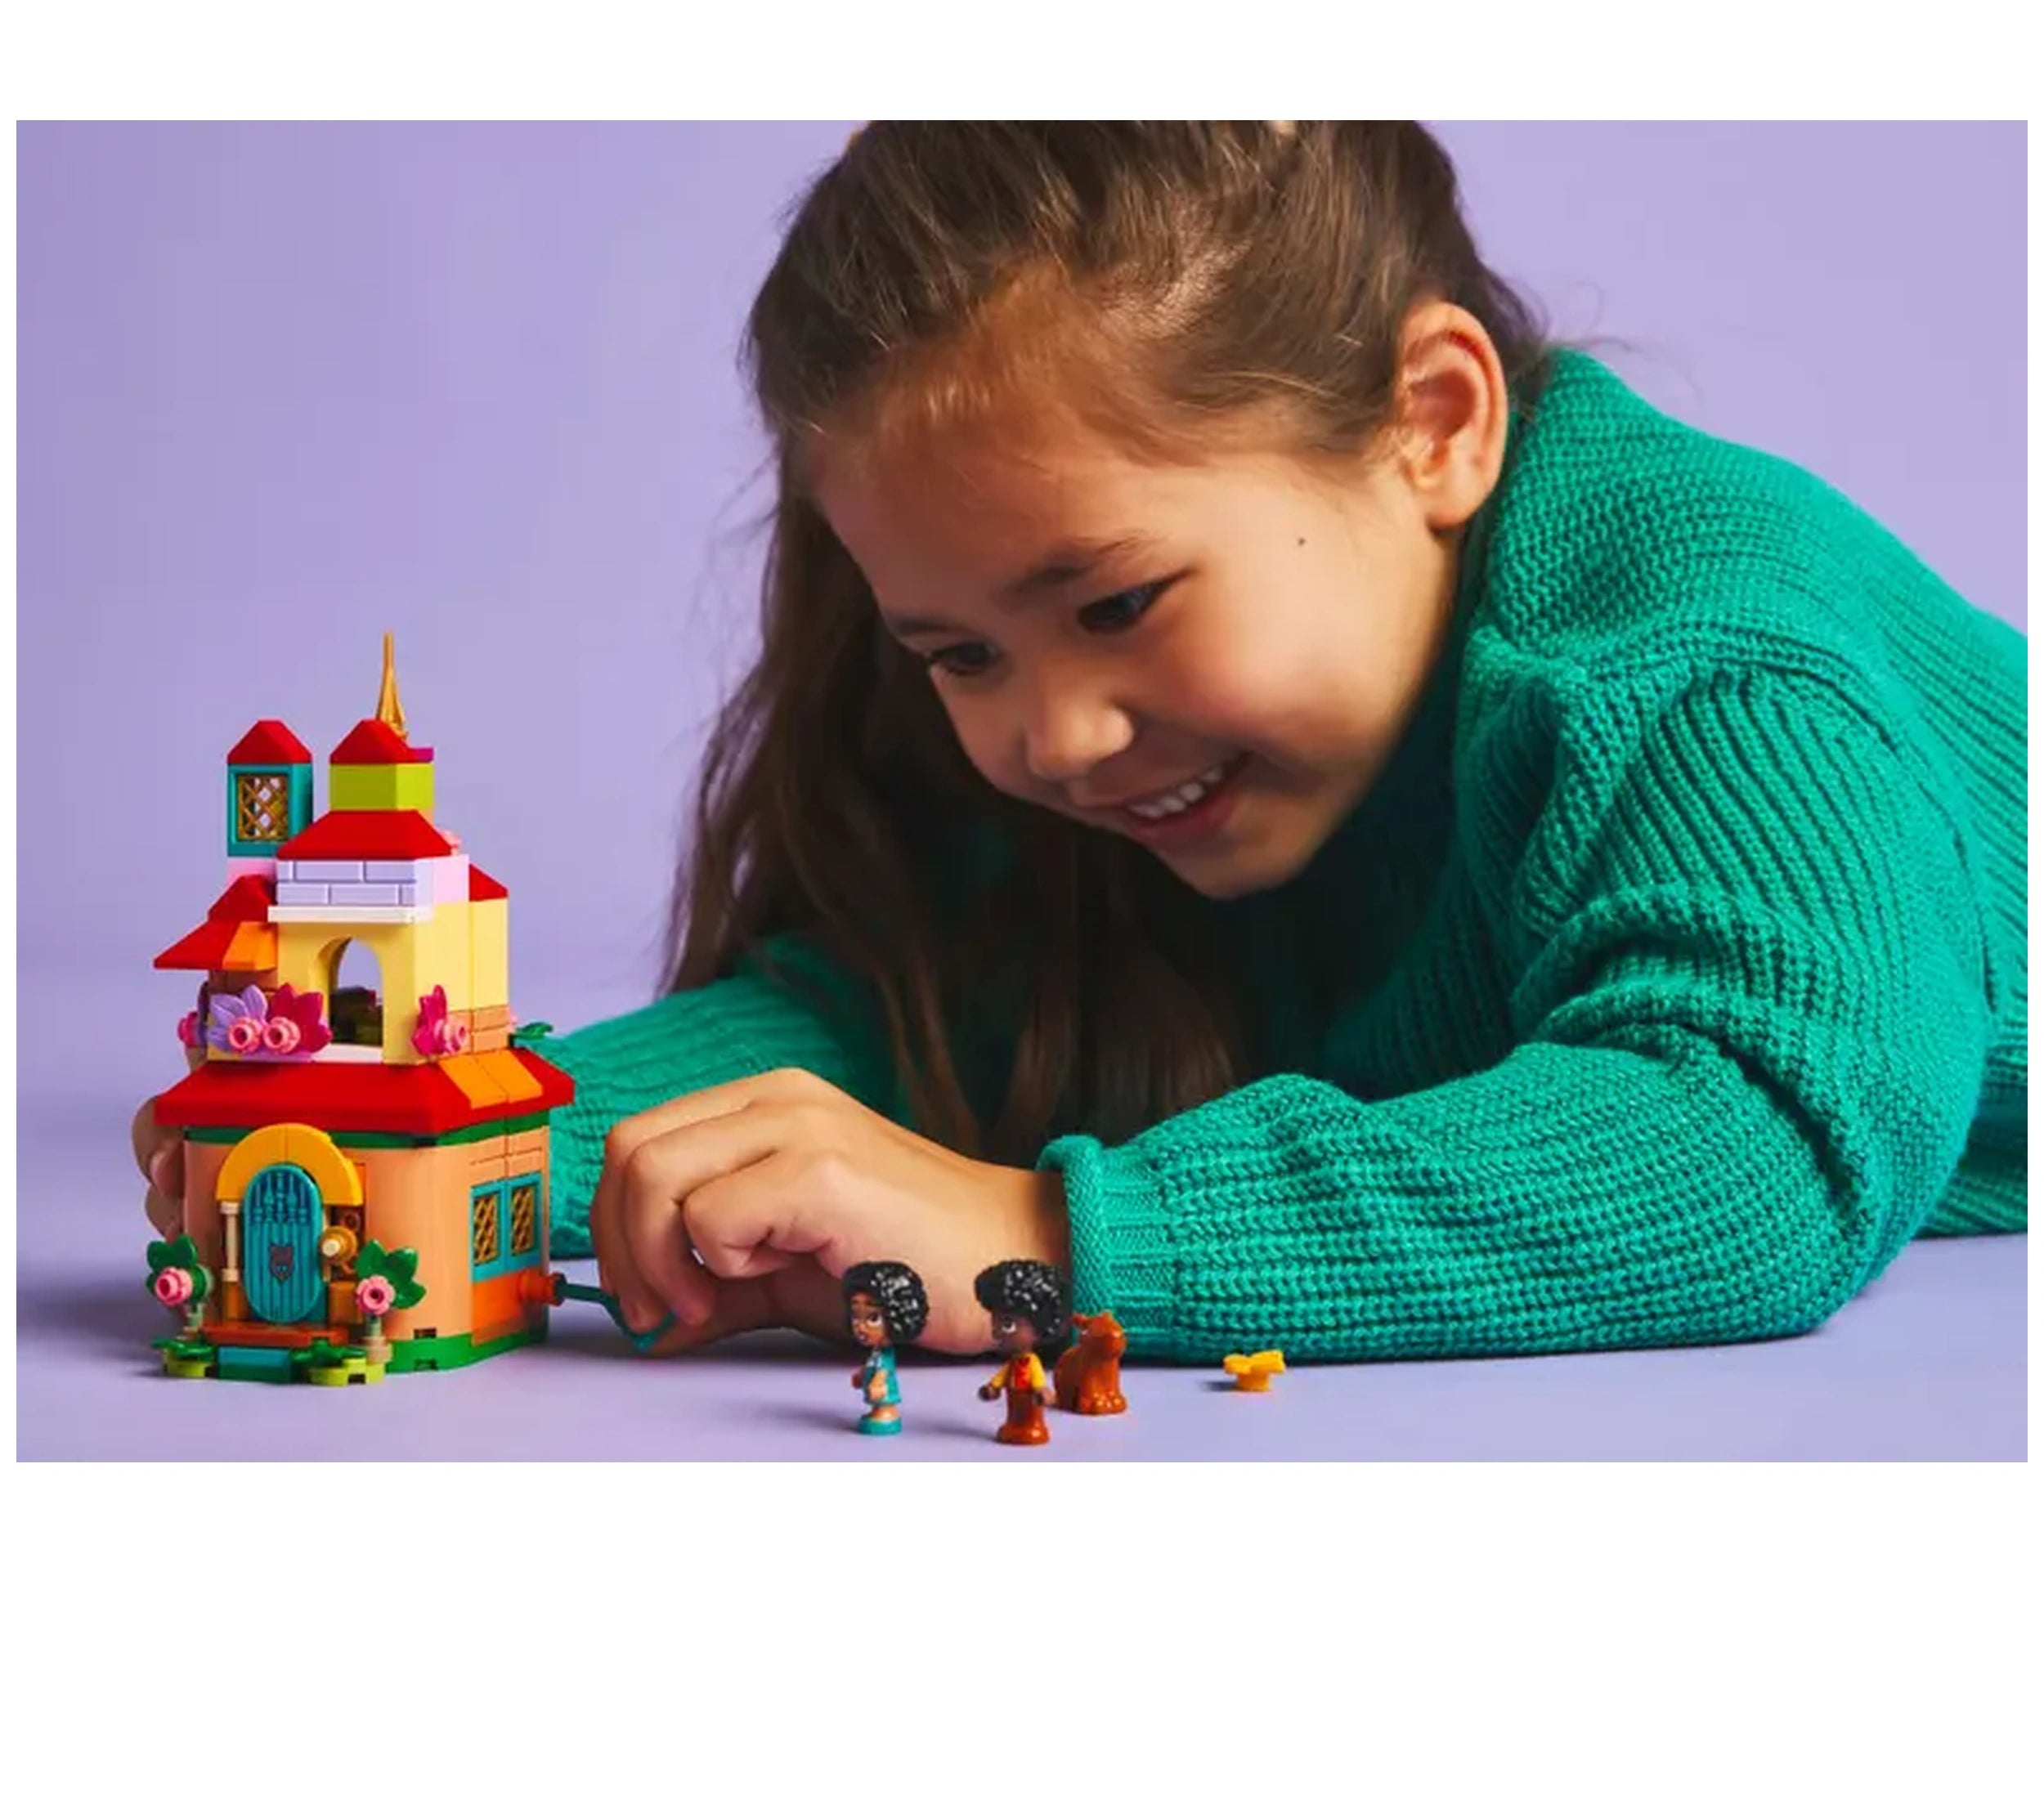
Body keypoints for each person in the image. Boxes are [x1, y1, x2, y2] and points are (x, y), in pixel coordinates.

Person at [134, 123, 2027, 1369]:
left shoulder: (1706, 659)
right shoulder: (1195, 773)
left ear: (1434, 426)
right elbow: (898, 1018)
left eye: (1118, 602)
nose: (1052, 732)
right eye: (956, 651)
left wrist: (1043, 1235)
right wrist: (455, 1141)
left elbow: (1747, 1141)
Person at [974, 1260, 1065, 1446]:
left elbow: (1039, 1380)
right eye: (995, 1323)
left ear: (1039, 1327)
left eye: (1007, 1325)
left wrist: (1042, 1391)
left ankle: (1032, 1427)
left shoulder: (1031, 1362)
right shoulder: (1013, 1364)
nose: (996, 1332)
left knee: (1029, 1418)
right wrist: (993, 1388)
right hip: (1013, 1399)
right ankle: (1014, 1426)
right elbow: (1002, 1376)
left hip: (1030, 1400)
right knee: (1014, 1418)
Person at [842, 1260, 927, 1435]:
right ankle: (878, 1411)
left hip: (882, 1390)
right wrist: (862, 1374)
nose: (860, 1326)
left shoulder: (885, 1353)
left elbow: (883, 1370)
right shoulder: (877, 1351)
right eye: (856, 1316)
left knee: (883, 1400)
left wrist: (877, 1382)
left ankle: (885, 1413)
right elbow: (873, 1364)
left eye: (873, 1318)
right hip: (875, 1387)